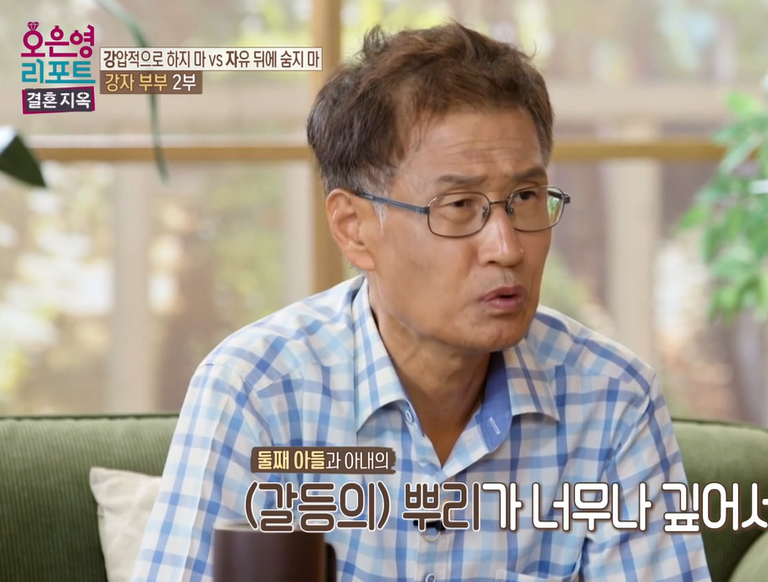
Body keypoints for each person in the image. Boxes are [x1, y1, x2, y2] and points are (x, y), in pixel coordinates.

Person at [132, 21, 711, 582]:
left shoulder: (611, 400)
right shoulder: (258, 393)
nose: (507, 247)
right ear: (355, 228)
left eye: (526, 197)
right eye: (459, 206)